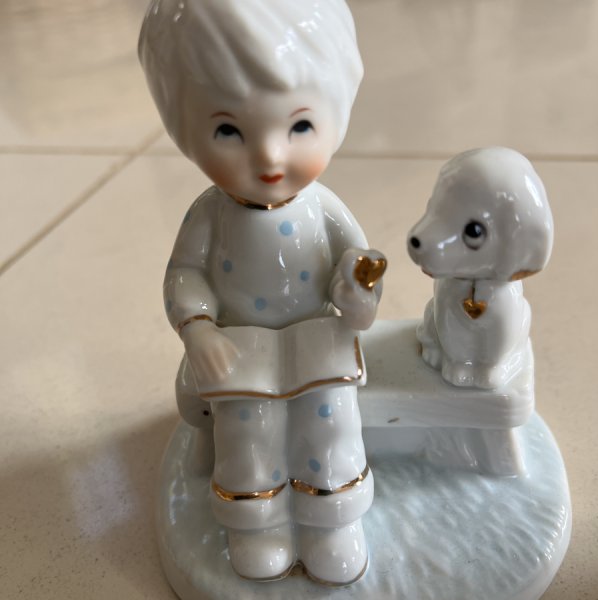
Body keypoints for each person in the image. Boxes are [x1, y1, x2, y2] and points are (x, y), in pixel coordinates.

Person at [139, 0, 382, 585]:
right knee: (248, 432)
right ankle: (258, 524)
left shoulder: (323, 208)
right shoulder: (210, 215)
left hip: (317, 346)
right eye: (229, 130)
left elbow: (358, 270)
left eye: (300, 126)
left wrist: (357, 293)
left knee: (331, 424)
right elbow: (184, 274)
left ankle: (331, 521)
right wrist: (198, 328)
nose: (270, 157)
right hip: (240, 352)